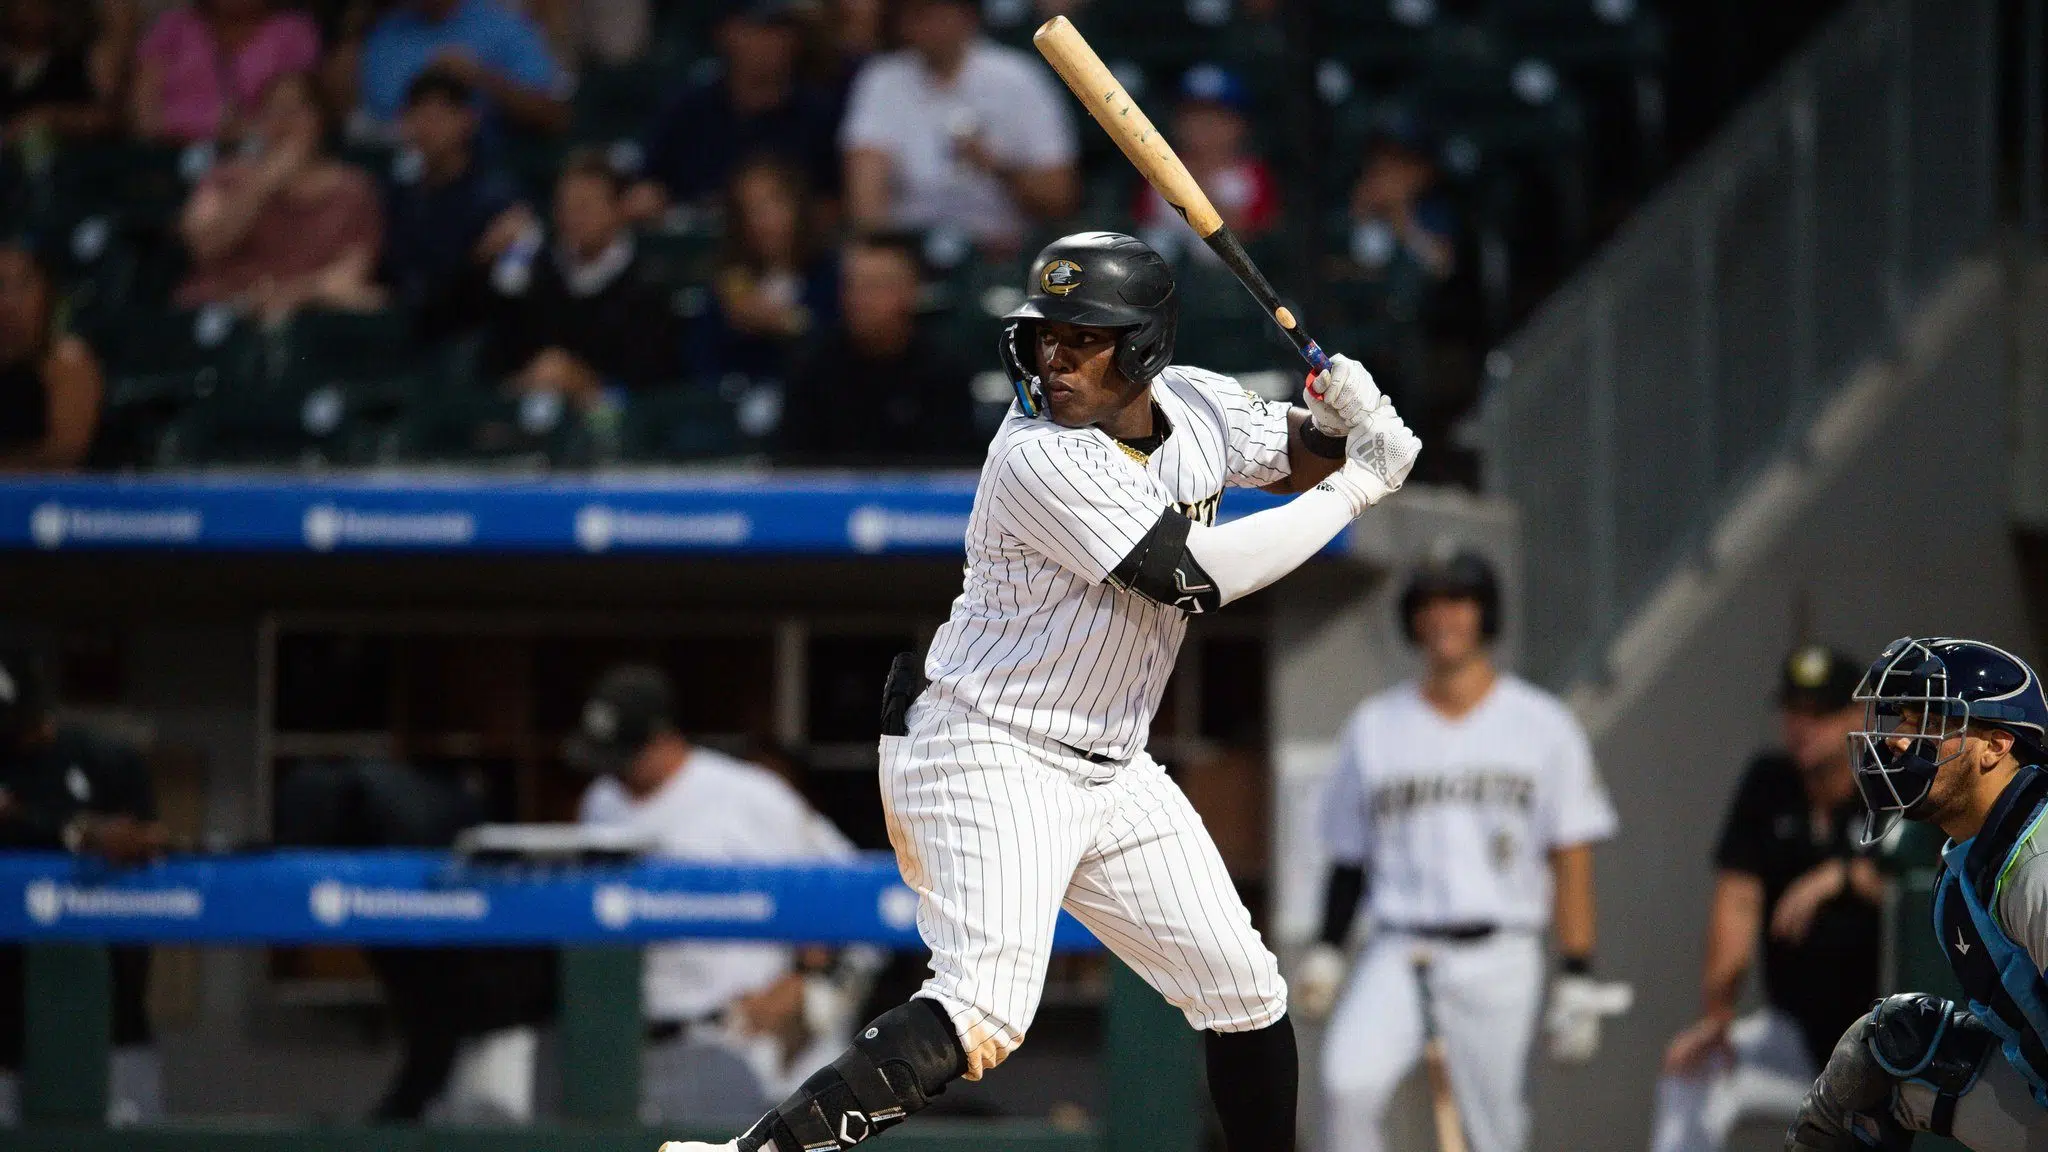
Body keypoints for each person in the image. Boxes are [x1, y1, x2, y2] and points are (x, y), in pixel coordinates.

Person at [658, 229, 1421, 1152]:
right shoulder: (1037, 454)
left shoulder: (1197, 402)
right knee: (983, 1011)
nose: (1054, 358)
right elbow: (1197, 577)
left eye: (1083, 339)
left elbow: (1297, 453)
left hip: (1110, 763)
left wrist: (1338, 425)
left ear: (1143, 347)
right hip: (988, 747)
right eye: (1044, 336)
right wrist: (1357, 488)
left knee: (1246, 994)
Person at [1294, 548, 1628, 1152]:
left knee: (1495, 1132)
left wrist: (1577, 972)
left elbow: (1571, 855)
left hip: (1499, 952)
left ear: (1484, 613)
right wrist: (1328, 947)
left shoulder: (1542, 724)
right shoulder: (1374, 726)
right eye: (1429, 602)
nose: (1443, 615)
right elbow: (1350, 857)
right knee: (1347, 1086)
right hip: (1399, 946)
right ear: (1412, 617)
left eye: (1458, 600)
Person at [1787, 637, 2048, 1152]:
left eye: (1928, 721)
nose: (1898, 741)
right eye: (1903, 720)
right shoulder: (1967, 868)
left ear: (1996, 745)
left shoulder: (2039, 864)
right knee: (1892, 1053)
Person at [569, 665, 861, 1125]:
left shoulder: (746, 795)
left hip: (730, 1038)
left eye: (628, 755)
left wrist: (805, 979)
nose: (618, 771)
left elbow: (849, 887)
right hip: (630, 1041)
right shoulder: (600, 801)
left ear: (663, 737)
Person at [1648, 646, 1880, 1152]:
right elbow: (1737, 901)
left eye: (1820, 712)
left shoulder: (1890, 786)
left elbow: (1917, 878)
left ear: (1856, 716)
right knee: (1692, 1070)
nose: (1803, 726)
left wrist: (1840, 877)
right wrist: (1717, 1015)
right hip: (1795, 1035)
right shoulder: (1770, 783)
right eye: (1794, 710)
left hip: (1882, 1042)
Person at [0, 649, 170, 1127]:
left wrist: (78, 833)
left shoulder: (105, 760)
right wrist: (75, 834)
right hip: (5, 1027)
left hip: (113, 1020)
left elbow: (146, 842)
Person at [839, 0, 1077, 255]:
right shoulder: (882, 79)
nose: (928, 27)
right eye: (917, 15)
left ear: (968, 16)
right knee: (869, 265)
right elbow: (865, 192)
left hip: (1002, 245)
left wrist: (996, 167)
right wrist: (878, 246)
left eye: (939, 14)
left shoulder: (1018, 76)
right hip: (911, 246)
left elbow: (1060, 196)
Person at [176, 70, 385, 321]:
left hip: (309, 312)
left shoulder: (353, 190)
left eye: (296, 110)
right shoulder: (223, 179)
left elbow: (351, 272)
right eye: (274, 111)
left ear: (320, 119)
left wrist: (289, 295)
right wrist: (262, 184)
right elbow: (204, 246)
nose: (284, 121)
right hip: (226, 310)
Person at [479, 148, 678, 409]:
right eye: (564, 206)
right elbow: (496, 367)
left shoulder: (646, 288)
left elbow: (652, 393)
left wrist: (579, 382)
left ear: (617, 209)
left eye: (585, 206)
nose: (572, 217)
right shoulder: (536, 277)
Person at [626, 1, 839, 223]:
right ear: (726, 33)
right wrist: (649, 197)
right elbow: (648, 185)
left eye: (781, 31)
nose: (770, 42)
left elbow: (833, 202)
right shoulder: (687, 110)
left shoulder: (819, 115)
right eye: (758, 29)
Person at [775, 232, 973, 464]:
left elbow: (952, 468)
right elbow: (793, 467)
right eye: (852, 286)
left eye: (874, 287)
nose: (860, 299)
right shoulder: (811, 367)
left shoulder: (944, 371)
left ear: (911, 292)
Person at [380, 66, 533, 342]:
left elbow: (502, 288)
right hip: (406, 324)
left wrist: (478, 259)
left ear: (467, 119)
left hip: (465, 333)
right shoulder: (400, 195)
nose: (428, 128)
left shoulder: (495, 198)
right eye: (419, 116)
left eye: (438, 117)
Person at [702, 154, 836, 386]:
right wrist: (733, 324)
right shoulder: (728, 283)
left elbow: (838, 343)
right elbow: (702, 359)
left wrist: (786, 322)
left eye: (774, 204)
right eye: (749, 209)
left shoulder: (830, 274)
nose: (762, 220)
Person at [348, 0, 570, 139]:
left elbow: (553, 116)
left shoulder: (503, 26)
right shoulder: (387, 33)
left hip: (493, 166)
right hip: (402, 167)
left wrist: (482, 78)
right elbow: (373, 117)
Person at [1131, 64, 1278, 263]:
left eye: (1217, 118)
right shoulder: (1156, 170)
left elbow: (1258, 232)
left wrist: (1201, 187)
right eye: (1194, 117)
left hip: (1227, 278)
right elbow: (1140, 223)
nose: (1205, 127)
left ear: (1240, 124)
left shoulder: (1254, 174)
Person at [130, 0, 321, 144]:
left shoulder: (294, 33)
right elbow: (143, 115)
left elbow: (292, 115)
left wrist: (242, 133)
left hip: (256, 161)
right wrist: (207, 128)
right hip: (163, 158)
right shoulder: (172, 26)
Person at [0, 242, 101, 470]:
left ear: (46, 293)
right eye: (0, 286)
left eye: (23, 286)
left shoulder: (67, 361)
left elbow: (63, 454)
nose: (9, 302)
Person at [0, 0, 113, 140]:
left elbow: (100, 118)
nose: (28, 14)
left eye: (37, 7)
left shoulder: (68, 65)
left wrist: (51, 117)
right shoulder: (5, 69)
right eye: (21, 6)